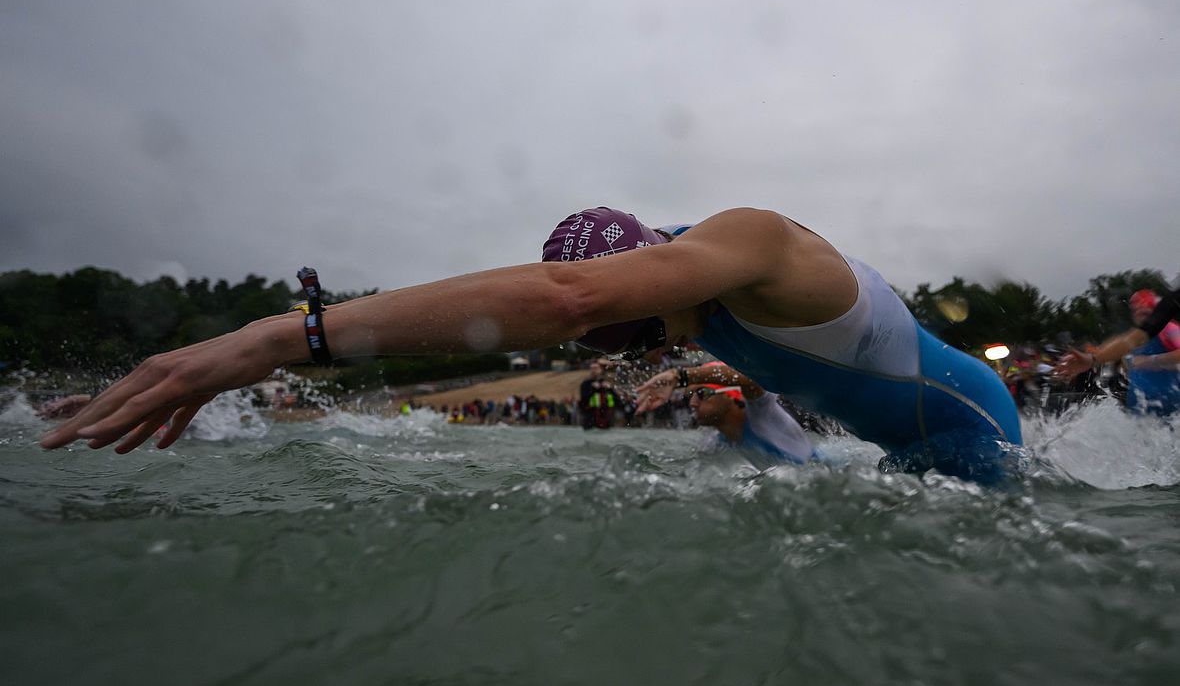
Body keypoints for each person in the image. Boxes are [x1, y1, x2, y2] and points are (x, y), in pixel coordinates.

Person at [41, 206, 1020, 482]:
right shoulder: (698, 303)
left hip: (978, 431)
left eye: (631, 326)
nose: (630, 342)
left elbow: (562, 299)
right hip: (898, 456)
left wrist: (275, 339)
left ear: (654, 270)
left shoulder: (757, 240)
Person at [636, 362, 817, 466]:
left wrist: (681, 376)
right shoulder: (715, 443)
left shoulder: (763, 414)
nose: (692, 403)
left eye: (702, 394)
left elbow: (752, 380)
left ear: (732, 395)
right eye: (689, 396)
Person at [1055, 288, 1180, 415]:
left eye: (1145, 312)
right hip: (1141, 409)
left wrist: (1150, 361)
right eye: (1136, 311)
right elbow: (1128, 341)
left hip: (1170, 408)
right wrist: (1091, 359)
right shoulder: (1139, 335)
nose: (1140, 315)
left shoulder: (1170, 328)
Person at [578, 359, 617, 429]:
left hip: (605, 420)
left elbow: (616, 402)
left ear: (601, 370)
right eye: (592, 368)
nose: (593, 370)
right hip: (590, 420)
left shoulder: (606, 385)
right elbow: (583, 400)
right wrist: (593, 389)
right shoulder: (586, 384)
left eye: (596, 368)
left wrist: (609, 389)